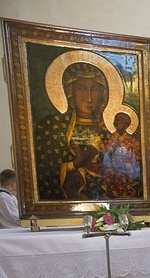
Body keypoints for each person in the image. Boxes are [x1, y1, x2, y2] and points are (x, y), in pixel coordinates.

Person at [34, 62, 110, 201]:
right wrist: (72, 165)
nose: (88, 98)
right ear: (70, 92)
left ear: (102, 94)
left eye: (94, 90)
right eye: (81, 89)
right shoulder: (52, 126)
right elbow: (44, 170)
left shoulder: (108, 131)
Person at [101, 111, 142, 198]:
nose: (117, 123)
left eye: (121, 121)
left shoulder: (133, 141)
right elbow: (105, 155)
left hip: (127, 171)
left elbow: (136, 159)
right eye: (116, 120)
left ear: (127, 125)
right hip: (111, 170)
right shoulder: (109, 139)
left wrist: (128, 165)